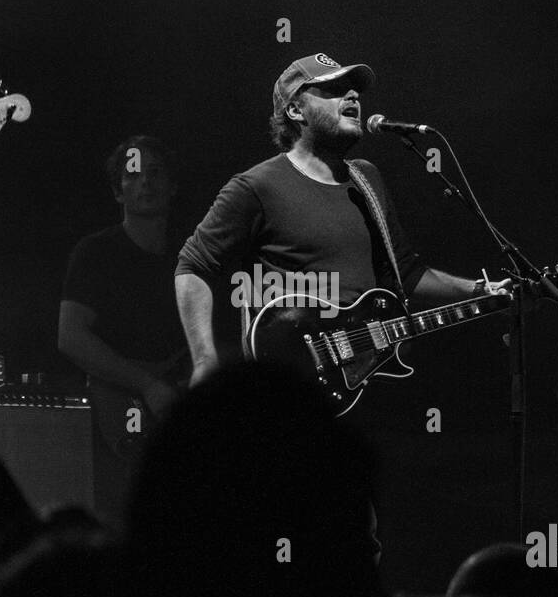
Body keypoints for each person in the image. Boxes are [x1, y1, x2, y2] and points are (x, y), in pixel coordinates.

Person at [174, 52, 510, 388]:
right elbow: (193, 267)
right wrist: (205, 361)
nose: (352, 96)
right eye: (333, 89)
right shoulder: (257, 187)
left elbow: (405, 274)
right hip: (289, 379)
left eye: (353, 89)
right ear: (295, 110)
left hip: (366, 379)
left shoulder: (367, 178)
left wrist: (480, 290)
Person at [58, 136, 188, 531]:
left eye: (155, 173)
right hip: (119, 413)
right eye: (133, 174)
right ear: (118, 191)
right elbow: (70, 337)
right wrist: (147, 385)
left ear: (172, 185)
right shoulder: (96, 252)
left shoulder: (191, 254)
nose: (146, 182)